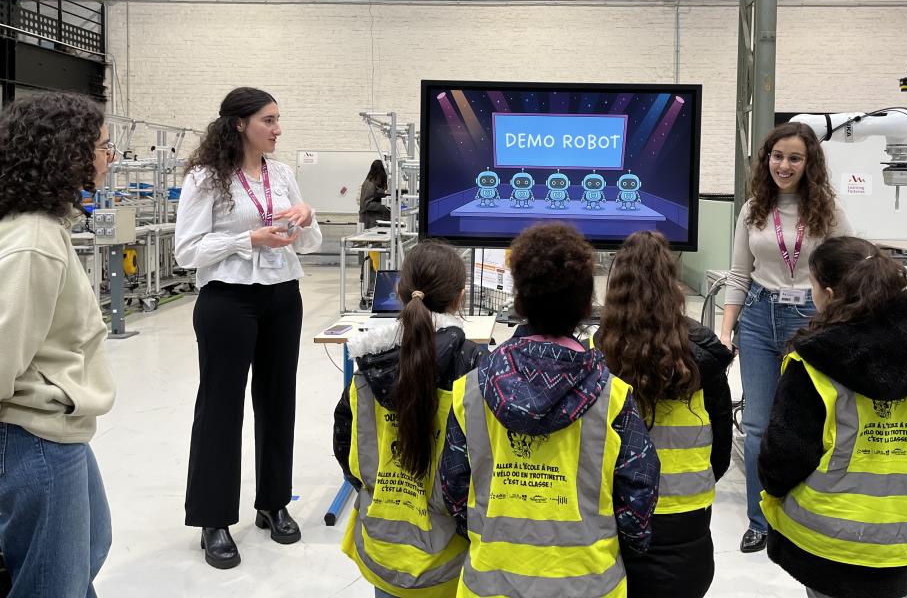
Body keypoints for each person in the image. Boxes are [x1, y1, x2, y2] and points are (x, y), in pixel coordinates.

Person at [439, 222, 660, 597]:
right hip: (590, 585)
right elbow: (638, 497)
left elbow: (454, 492)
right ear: (588, 305)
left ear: (519, 302)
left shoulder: (470, 390)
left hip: (490, 583)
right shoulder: (613, 397)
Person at [758, 236, 907, 598]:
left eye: (813, 284)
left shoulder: (813, 366)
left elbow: (782, 459)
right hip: (897, 544)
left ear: (830, 294)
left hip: (824, 546)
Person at [174, 87, 322, 569]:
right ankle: (213, 519)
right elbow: (187, 250)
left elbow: (309, 243)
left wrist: (306, 217)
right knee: (220, 407)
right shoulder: (206, 177)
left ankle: (272, 503)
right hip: (228, 299)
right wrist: (247, 238)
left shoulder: (281, 174)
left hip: (282, 295)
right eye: (269, 120)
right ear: (240, 124)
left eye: (279, 119)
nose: (278, 128)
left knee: (278, 401)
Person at [0, 92, 117, 596]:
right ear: (69, 154)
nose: (110, 158)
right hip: (34, 430)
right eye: (104, 147)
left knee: (90, 546)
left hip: (58, 425)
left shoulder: (46, 228)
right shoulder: (35, 241)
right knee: (54, 581)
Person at [722, 121, 852, 553]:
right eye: (778, 156)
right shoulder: (754, 208)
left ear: (808, 163)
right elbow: (739, 274)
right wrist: (726, 330)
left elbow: (850, 270)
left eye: (794, 157)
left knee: (808, 420)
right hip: (758, 316)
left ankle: (802, 514)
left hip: (810, 320)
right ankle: (760, 518)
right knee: (758, 424)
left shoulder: (829, 212)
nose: (784, 165)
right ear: (767, 160)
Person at [333, 241, 487, 598]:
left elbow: (347, 451)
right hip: (450, 563)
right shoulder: (475, 367)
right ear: (460, 298)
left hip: (382, 553)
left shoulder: (368, 365)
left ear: (400, 292)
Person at [598, 230, 733, 598]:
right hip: (688, 523)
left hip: (617, 519)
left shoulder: (603, 354)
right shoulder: (703, 357)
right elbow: (721, 451)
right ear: (671, 283)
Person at [360, 159, 391, 230]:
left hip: (378, 221)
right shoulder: (369, 184)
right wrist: (385, 206)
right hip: (370, 223)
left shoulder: (377, 184)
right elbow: (366, 204)